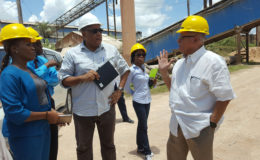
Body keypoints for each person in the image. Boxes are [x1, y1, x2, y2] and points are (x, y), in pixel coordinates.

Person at [157, 15, 236, 160]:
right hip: (176, 124)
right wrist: (163, 73)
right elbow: (174, 90)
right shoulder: (180, 64)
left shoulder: (213, 62)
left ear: (196, 39)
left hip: (199, 128)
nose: (178, 41)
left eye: (182, 37)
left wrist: (212, 123)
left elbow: (224, 96)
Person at [58, 15, 130, 160]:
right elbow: (63, 80)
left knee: (109, 146)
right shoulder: (72, 54)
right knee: (83, 149)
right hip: (83, 111)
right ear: (83, 33)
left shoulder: (111, 50)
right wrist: (82, 78)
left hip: (107, 108)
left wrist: (120, 90)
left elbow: (126, 70)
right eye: (94, 31)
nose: (99, 34)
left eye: (100, 30)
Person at [0, 23, 60, 160]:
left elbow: (39, 99)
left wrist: (54, 115)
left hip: (42, 131)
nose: (34, 48)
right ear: (14, 49)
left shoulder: (30, 70)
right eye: (28, 45)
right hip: (26, 136)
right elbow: (15, 112)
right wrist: (46, 115)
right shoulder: (9, 75)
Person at [26, 27, 60, 160]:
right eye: (37, 43)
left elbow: (55, 79)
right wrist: (45, 68)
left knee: (52, 142)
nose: (40, 46)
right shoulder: (21, 63)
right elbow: (29, 82)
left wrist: (41, 78)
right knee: (37, 146)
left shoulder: (40, 60)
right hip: (33, 106)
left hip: (48, 102)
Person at [125, 43, 156, 160]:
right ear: (133, 57)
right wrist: (134, 94)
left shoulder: (144, 68)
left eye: (143, 55)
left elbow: (147, 86)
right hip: (138, 102)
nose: (141, 57)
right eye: (138, 55)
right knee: (144, 126)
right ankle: (147, 152)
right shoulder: (131, 70)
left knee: (141, 125)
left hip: (147, 100)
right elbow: (127, 87)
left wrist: (152, 84)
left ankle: (140, 147)